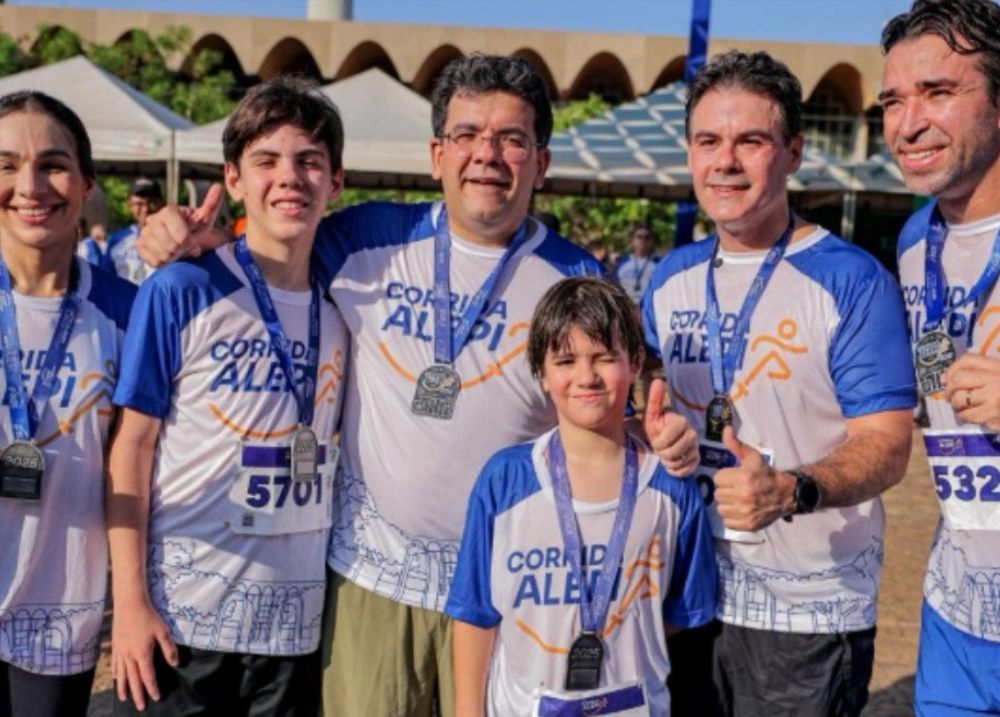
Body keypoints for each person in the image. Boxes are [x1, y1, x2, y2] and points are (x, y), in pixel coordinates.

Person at [135, 53, 700, 717]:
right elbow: (272, 241)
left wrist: (660, 430)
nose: (487, 154)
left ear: (541, 162)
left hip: (503, 588)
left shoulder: (575, 275)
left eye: (512, 139)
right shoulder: (362, 238)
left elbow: (623, 391)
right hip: (373, 580)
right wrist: (175, 232)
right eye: (467, 135)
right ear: (437, 154)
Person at [642, 50, 917, 716]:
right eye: (708, 141)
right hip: (683, 598)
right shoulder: (669, 277)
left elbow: (887, 446)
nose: (725, 161)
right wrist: (654, 429)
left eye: (751, 141)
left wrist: (791, 489)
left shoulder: (853, 281)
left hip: (805, 617)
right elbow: (649, 398)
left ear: (793, 152)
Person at [107, 78, 349, 716]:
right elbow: (131, 447)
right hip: (183, 618)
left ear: (336, 182)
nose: (289, 177)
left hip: (293, 628)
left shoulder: (348, 302)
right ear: (234, 180)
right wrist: (128, 603)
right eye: (266, 161)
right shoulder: (181, 288)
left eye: (309, 161)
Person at [446, 276, 717, 717]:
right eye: (566, 360)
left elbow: (681, 614)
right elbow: (475, 613)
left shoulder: (671, 487)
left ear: (635, 363)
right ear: (541, 371)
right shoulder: (504, 481)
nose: (586, 377)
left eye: (604, 358)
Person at [0, 91, 136, 717]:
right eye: (7, 166)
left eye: (53, 165)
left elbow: (137, 466)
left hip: (58, 616)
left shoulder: (130, 312)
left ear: (85, 184)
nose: (30, 186)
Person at [881, 1, 1000, 713]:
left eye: (938, 92)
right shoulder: (913, 240)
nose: (908, 123)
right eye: (893, 101)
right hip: (958, 606)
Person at [102, 177, 163, 284]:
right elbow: (105, 278)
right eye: (139, 204)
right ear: (129, 204)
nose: (146, 209)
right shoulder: (117, 239)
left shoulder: (172, 239)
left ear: (161, 203)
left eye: (151, 202)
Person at [614, 224, 659, 303]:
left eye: (647, 238)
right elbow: (614, 286)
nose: (643, 240)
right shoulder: (621, 263)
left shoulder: (659, 264)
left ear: (652, 242)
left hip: (649, 305)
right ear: (632, 241)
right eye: (639, 237)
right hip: (626, 305)